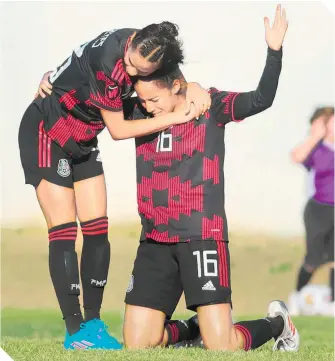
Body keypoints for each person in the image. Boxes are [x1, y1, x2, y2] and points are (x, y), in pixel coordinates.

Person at [19, 22, 210, 350]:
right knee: (64, 232)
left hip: (82, 139)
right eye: (131, 62)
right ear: (132, 41)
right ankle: (74, 331)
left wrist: (193, 85)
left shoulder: (152, 48)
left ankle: (92, 324)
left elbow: (173, 83)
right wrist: (175, 118)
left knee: (97, 231)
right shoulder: (109, 60)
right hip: (46, 132)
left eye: (140, 69)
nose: (131, 70)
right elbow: (119, 130)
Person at [122, 5, 299, 352]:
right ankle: (191, 329)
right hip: (155, 239)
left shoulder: (210, 106)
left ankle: (279, 323)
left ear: (177, 87)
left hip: (201, 235)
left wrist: (274, 51)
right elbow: (100, 94)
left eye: (154, 99)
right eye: (142, 100)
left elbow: (262, 98)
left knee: (222, 346)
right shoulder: (134, 113)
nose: (147, 107)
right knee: (138, 344)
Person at [289, 107, 334, 316]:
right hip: (318, 210)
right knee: (313, 259)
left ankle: (333, 302)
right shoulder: (318, 149)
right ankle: (296, 297)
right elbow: (296, 156)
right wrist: (316, 135)